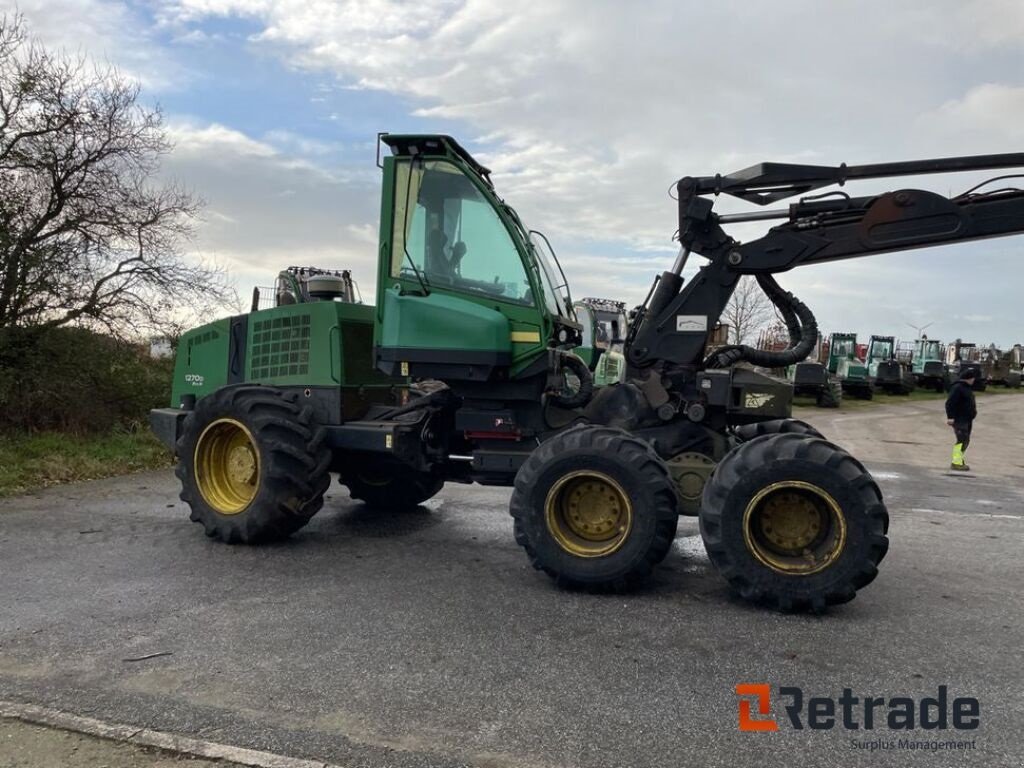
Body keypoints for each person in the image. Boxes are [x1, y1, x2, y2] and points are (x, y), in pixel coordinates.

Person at [945, 369, 978, 471]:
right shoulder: (958, 388)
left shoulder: (966, 388)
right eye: (973, 378)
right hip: (959, 419)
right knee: (962, 440)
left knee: (965, 440)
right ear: (969, 378)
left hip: (967, 419)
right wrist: (950, 417)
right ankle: (956, 462)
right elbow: (950, 403)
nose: (974, 380)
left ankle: (958, 460)